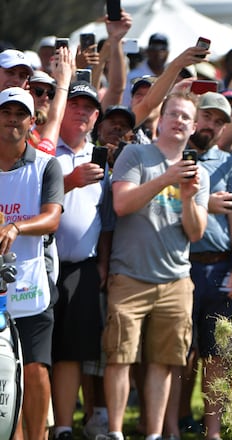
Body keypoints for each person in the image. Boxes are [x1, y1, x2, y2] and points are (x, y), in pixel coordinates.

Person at [101, 92, 209, 440]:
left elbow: (195, 232)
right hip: (129, 275)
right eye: (172, 114)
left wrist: (189, 196)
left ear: (193, 128)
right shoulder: (136, 154)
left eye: (185, 118)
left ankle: (154, 434)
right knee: (120, 357)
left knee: (164, 362)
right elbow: (121, 204)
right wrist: (167, 178)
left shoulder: (198, 173)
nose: (178, 121)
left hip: (176, 280)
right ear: (159, 121)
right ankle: (116, 432)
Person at [178, 92, 232, 440]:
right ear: (193, 116)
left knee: (217, 354)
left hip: (219, 265)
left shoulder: (229, 160)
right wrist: (207, 202)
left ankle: (213, 431)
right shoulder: (172, 154)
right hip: (178, 264)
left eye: (220, 121)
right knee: (176, 353)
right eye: (207, 117)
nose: (212, 125)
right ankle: (168, 425)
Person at [0, 87, 63, 440]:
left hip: (31, 286)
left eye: (19, 113)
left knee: (36, 369)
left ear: (31, 120)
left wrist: (16, 226)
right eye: (5, 112)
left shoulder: (45, 165)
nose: (12, 118)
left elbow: (52, 218)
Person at [51, 81, 106, 440]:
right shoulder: (45, 152)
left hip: (84, 267)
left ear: (96, 116)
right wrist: (70, 180)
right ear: (63, 109)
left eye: (89, 107)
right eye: (76, 105)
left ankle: (64, 427)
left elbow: (109, 218)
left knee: (72, 353)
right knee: (41, 350)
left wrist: (103, 262)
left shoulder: (101, 158)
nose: (82, 112)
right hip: (44, 265)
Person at [122, 33, 170, 106]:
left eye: (162, 49)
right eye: (154, 48)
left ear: (167, 53)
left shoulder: (172, 75)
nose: (158, 53)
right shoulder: (133, 76)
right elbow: (126, 103)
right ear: (148, 51)